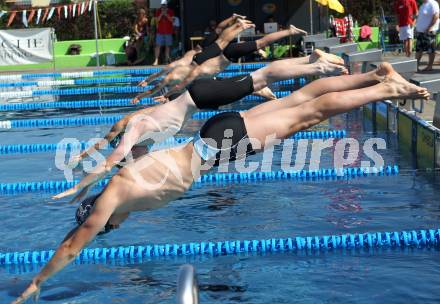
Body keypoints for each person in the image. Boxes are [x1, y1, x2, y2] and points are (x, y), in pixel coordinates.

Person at [13, 63, 429, 303]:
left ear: (103, 220)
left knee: (309, 113)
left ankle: (385, 87)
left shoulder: (116, 201)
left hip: (218, 147)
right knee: (299, 103)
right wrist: (83, 186)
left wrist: (37, 282)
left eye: (105, 226)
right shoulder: (121, 185)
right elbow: (109, 174)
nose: (113, 228)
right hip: (213, 136)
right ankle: (375, 75)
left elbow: (72, 243)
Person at [67, 50, 348, 182]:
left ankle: (317, 64)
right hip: (198, 97)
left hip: (201, 97)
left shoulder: (135, 132)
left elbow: (112, 155)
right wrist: (83, 160)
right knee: (257, 81)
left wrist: (82, 180)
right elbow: (111, 149)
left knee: (263, 76)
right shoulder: (146, 137)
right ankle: (311, 64)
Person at [136, 22, 308, 99]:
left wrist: (162, 94)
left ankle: (289, 31)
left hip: (230, 54)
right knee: (222, 41)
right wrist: (146, 87)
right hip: (222, 54)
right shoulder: (192, 68)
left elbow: (172, 85)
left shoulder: (197, 73)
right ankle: (238, 25)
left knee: (260, 42)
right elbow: (163, 80)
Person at [415, 0, 440, 71]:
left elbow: (436, 15)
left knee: (430, 50)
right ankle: (415, 66)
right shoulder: (423, 5)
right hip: (421, 31)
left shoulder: (432, 3)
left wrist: (430, 27)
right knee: (418, 49)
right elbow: (421, 18)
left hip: (429, 31)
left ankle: (430, 66)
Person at [153, 0, 174, 65]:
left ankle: (166, 60)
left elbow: (172, 20)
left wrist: (166, 14)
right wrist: (161, 14)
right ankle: (156, 60)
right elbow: (156, 21)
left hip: (168, 32)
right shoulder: (158, 11)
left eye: (164, 5)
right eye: (162, 5)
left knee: (167, 46)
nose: (163, 6)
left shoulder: (170, 11)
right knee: (158, 46)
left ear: (166, 5)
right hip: (160, 32)